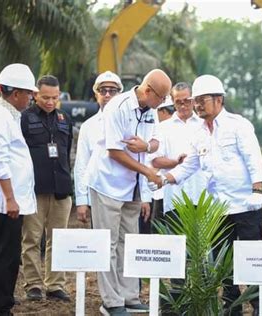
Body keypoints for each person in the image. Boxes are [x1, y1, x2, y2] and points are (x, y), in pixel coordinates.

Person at [161, 75, 262, 316]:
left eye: (202, 100)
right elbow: (190, 164)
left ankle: (260, 308)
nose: (197, 105)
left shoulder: (238, 125)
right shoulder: (199, 132)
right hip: (218, 209)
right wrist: (165, 178)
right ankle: (233, 309)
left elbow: (253, 158)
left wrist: (257, 190)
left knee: (250, 260)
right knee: (223, 263)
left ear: (219, 99)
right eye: (194, 100)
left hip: (245, 206)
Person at [86, 69, 171, 316]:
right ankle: (111, 301)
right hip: (107, 184)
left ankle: (129, 296)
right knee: (108, 243)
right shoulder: (117, 107)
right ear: (148, 91)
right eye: (162, 98)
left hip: (132, 186)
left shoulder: (152, 110)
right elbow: (114, 151)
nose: (163, 104)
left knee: (128, 242)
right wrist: (147, 170)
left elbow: (156, 142)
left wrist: (147, 146)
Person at [20, 75, 73, 302]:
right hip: (34, 188)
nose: (50, 102)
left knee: (58, 239)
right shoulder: (24, 118)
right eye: (45, 97)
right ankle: (33, 284)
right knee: (31, 238)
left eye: (54, 97)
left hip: (60, 188)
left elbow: (67, 149)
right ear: (35, 94)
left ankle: (55, 285)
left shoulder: (65, 119)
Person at [0, 63, 38, 316]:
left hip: (7, 202)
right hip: (3, 203)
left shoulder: (9, 116)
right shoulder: (0, 117)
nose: (31, 97)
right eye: (29, 93)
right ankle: (1, 308)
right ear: (16, 93)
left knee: (6, 257)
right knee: (6, 258)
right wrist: (10, 198)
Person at [151, 82, 206, 226]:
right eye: (178, 102)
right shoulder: (163, 128)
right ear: (172, 101)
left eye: (187, 101)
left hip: (201, 193)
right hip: (174, 196)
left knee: (201, 246)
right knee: (174, 243)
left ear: (193, 100)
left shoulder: (205, 124)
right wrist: (175, 162)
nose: (183, 105)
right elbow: (155, 161)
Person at [74, 71, 124, 225]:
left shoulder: (129, 121)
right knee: (104, 244)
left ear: (120, 95)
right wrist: (82, 201)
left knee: (126, 244)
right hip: (100, 193)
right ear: (96, 94)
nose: (107, 95)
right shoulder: (88, 126)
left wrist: (145, 196)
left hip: (128, 195)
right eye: (103, 90)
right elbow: (82, 164)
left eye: (112, 91)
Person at [141, 95, 175, 234]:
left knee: (158, 237)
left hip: (162, 192)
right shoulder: (160, 128)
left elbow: (153, 163)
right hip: (161, 193)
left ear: (163, 111)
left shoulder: (162, 128)